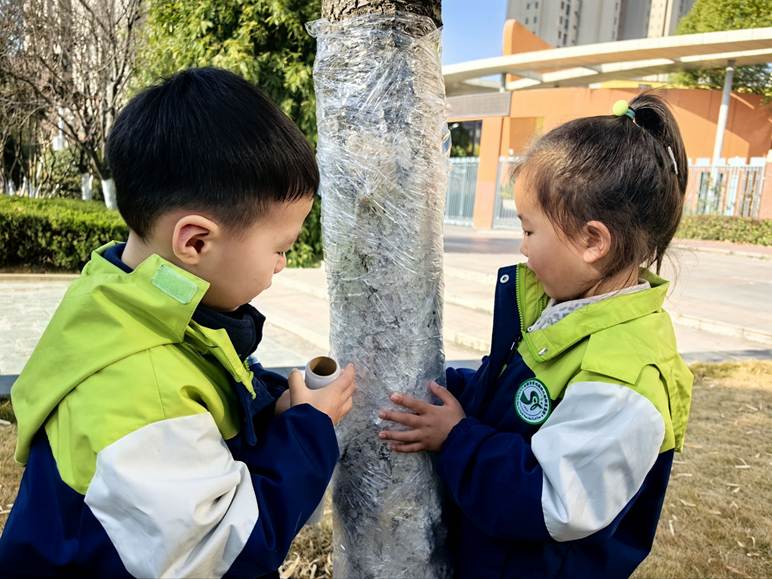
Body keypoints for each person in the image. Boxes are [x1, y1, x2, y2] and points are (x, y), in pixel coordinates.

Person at [0, 67, 356, 578]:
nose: (281, 265)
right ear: (195, 242)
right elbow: (222, 554)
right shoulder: (138, 395)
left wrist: (270, 410)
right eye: (280, 248)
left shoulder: (126, 300)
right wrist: (307, 432)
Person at [379, 93, 693, 578]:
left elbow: (553, 501)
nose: (522, 248)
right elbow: (517, 398)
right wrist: (452, 389)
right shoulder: (568, 312)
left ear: (592, 241)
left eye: (529, 231)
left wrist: (457, 438)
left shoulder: (623, 379)